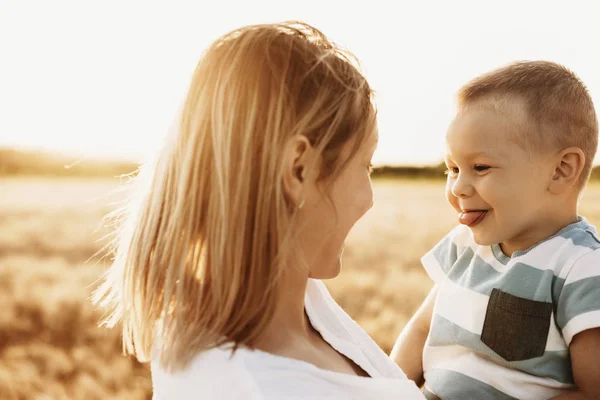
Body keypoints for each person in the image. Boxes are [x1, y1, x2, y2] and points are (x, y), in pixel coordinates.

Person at [93, 21, 424, 399]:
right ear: (299, 169)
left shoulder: (292, 301)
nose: (369, 198)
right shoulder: (262, 387)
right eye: (365, 166)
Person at [391, 61, 600, 399]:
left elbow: (593, 392)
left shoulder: (581, 267)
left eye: (480, 167)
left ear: (561, 170)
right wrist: (388, 390)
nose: (459, 186)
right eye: (453, 168)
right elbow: (421, 328)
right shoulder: (463, 245)